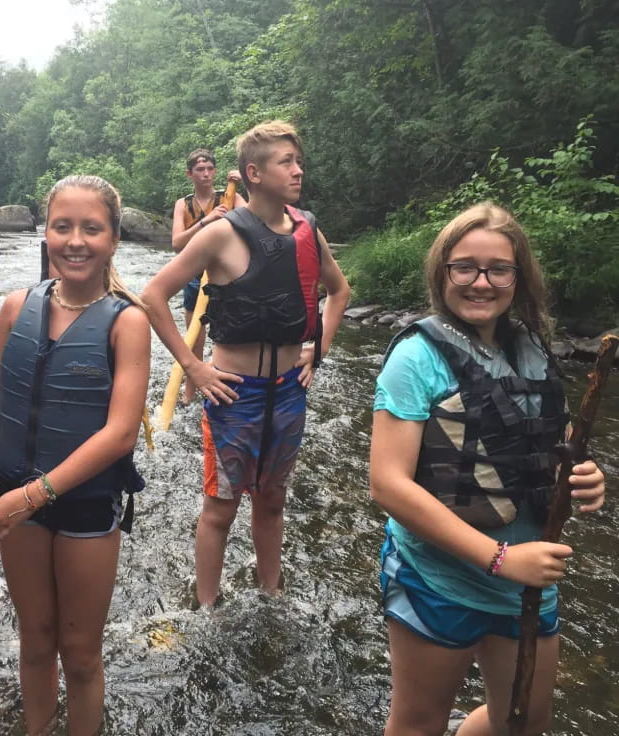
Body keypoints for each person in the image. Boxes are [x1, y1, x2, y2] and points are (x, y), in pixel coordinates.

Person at [369, 202, 606, 735]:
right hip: (438, 576)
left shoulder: (532, 350)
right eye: (465, 268)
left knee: (522, 723)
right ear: (442, 273)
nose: (481, 282)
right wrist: (500, 559)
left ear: (519, 279)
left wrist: (585, 475)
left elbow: (554, 440)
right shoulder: (415, 358)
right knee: (418, 723)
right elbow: (387, 484)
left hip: (527, 581)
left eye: (499, 269)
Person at [0, 175, 149, 736]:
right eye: (62, 226)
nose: (75, 241)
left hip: (83, 505)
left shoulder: (128, 321)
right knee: (36, 639)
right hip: (14, 499)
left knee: (81, 653)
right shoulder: (15, 306)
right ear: (45, 233)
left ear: (113, 239)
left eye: (91, 228)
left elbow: (121, 434)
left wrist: (31, 496)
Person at [141, 121, 351, 607]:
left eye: (298, 162)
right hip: (234, 395)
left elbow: (339, 292)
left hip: (289, 390)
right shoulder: (220, 234)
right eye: (286, 162)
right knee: (221, 507)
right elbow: (153, 295)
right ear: (253, 174)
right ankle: (207, 609)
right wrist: (194, 368)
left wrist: (318, 350)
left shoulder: (307, 229)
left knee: (272, 501)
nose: (298, 171)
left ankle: (270, 594)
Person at [170, 149, 247, 403]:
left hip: (226, 277)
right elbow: (177, 243)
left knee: (229, 338)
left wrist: (246, 182)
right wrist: (208, 220)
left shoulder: (231, 197)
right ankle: (190, 394)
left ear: (215, 171)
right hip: (194, 277)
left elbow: (256, 222)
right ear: (190, 174)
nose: (206, 174)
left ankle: (228, 387)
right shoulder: (183, 204)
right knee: (195, 340)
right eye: (200, 170)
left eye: (210, 169)